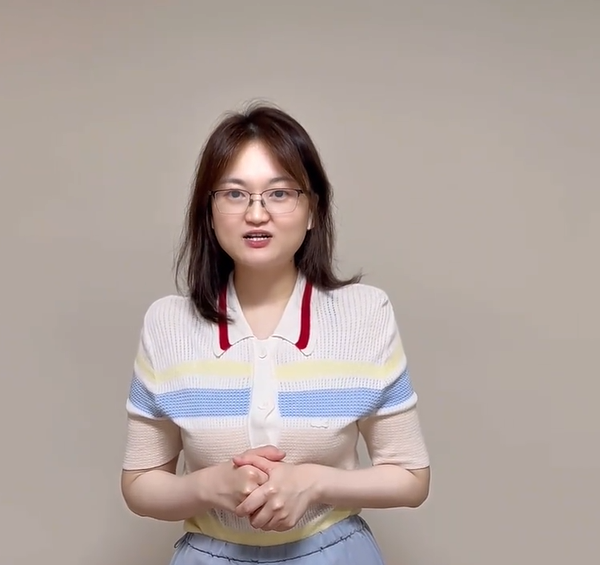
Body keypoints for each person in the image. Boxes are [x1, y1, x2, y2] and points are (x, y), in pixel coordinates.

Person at [120, 102, 431, 564]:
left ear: (312, 210)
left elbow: (411, 478)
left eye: (280, 193)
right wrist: (208, 486)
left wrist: (313, 482)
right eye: (235, 194)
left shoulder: (366, 314)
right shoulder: (167, 324)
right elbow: (140, 483)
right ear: (209, 211)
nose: (256, 213)